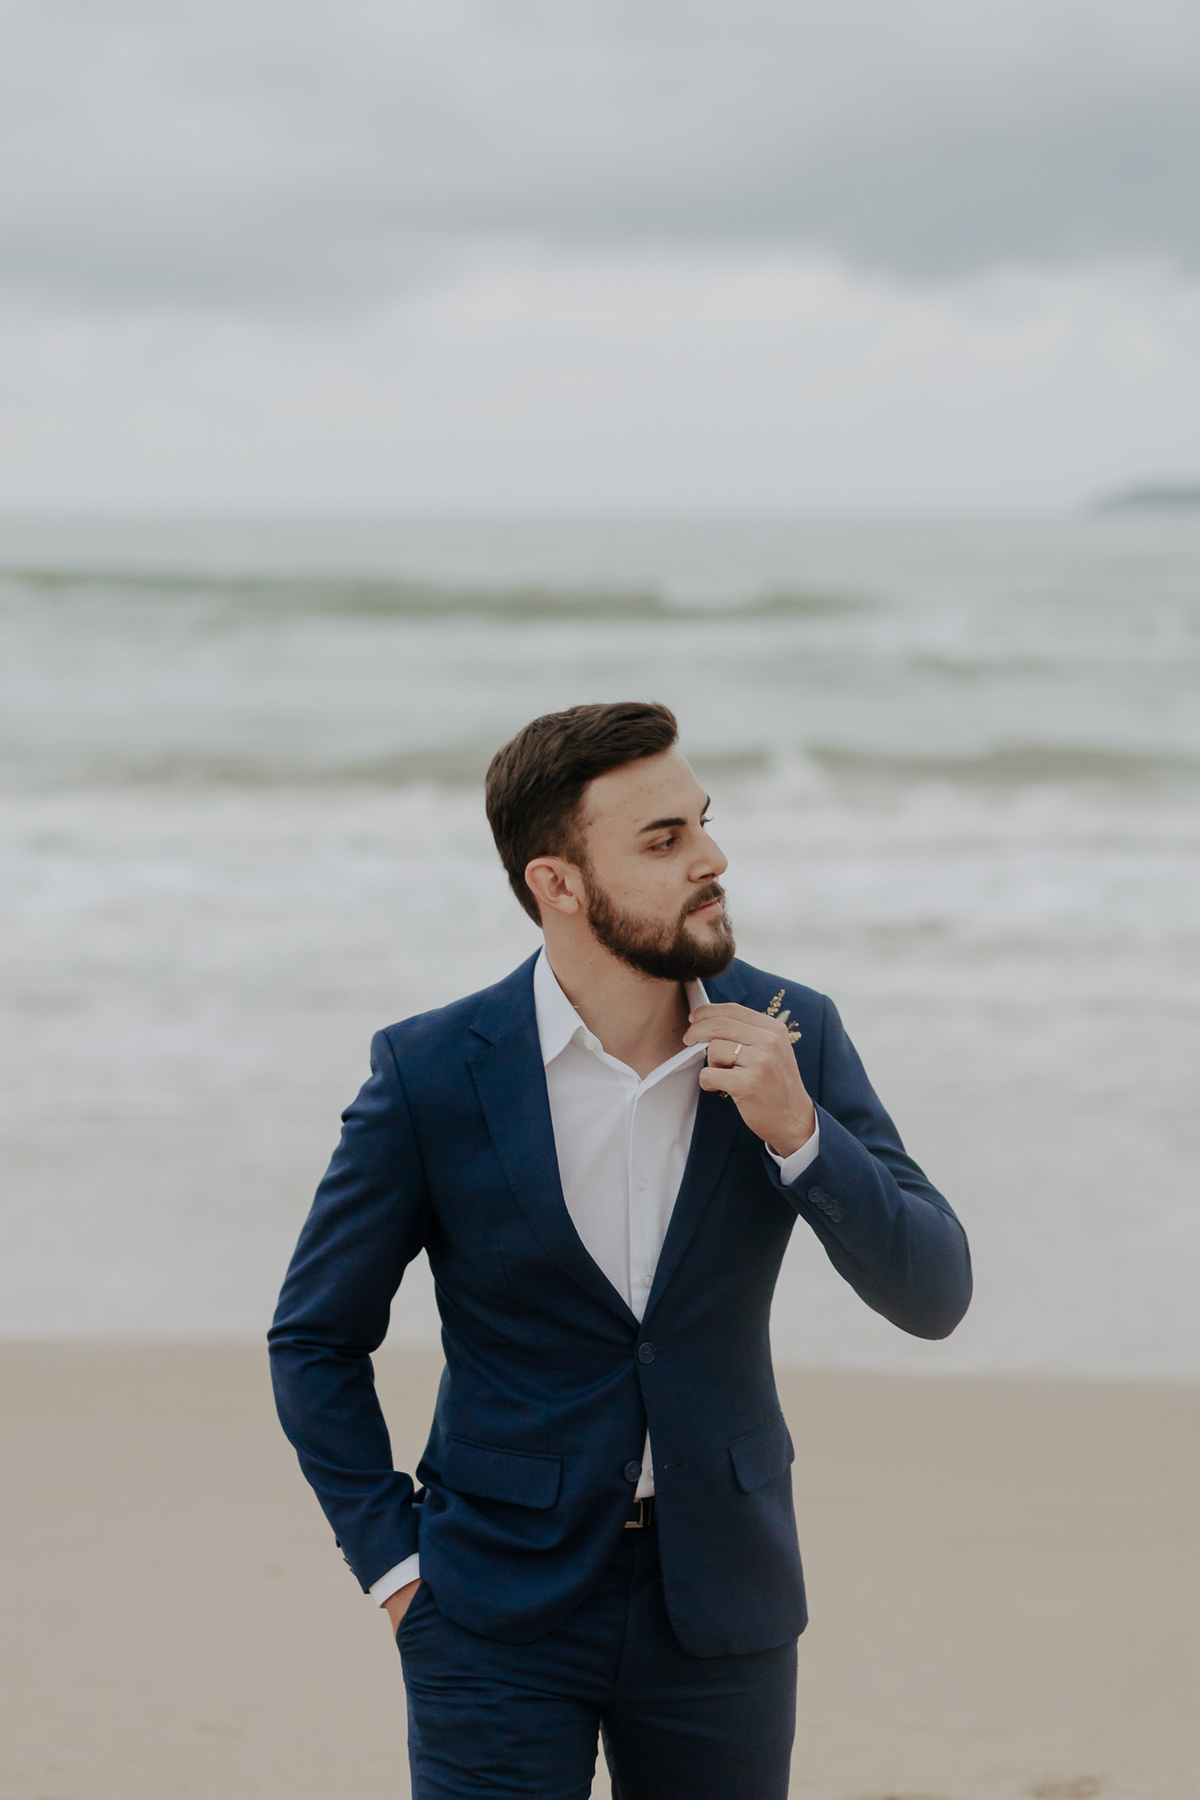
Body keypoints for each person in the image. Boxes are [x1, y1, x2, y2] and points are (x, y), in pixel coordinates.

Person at [269, 700, 971, 1800]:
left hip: (723, 1605)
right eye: (663, 840)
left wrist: (800, 1132)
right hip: (490, 1609)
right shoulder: (433, 1071)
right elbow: (315, 1337)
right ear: (557, 882)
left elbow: (935, 1293)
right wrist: (395, 1567)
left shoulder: (794, 1034)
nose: (712, 859)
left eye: (703, 823)